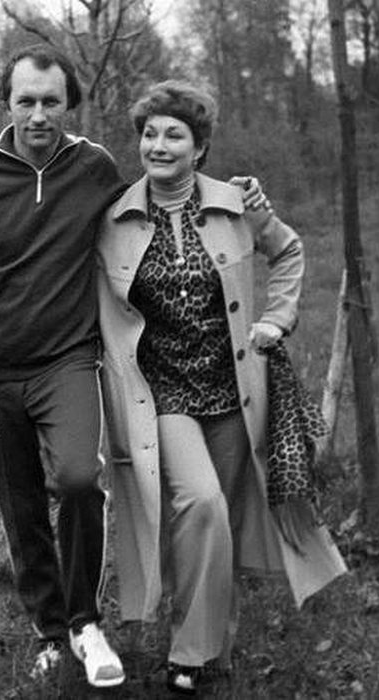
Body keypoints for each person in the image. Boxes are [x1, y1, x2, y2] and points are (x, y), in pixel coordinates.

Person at [0, 45, 263, 689]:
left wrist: (236, 192)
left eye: (51, 101)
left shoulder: (93, 167)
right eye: (26, 100)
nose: (38, 114)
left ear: (70, 104)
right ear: (7, 102)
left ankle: (85, 621)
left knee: (81, 480)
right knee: (22, 506)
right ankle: (50, 632)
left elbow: (157, 198)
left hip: (68, 359)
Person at [96, 81, 347, 695]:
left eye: (173, 134)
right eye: (149, 134)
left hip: (234, 388)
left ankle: (210, 650)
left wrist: (277, 319)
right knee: (201, 503)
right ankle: (190, 650)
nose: (158, 145)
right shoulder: (114, 218)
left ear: (199, 147)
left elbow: (288, 252)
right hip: (164, 392)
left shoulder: (237, 203)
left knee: (223, 520)